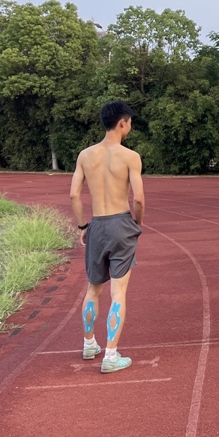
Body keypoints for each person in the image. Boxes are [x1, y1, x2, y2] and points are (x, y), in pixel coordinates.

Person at [69, 101, 145, 374]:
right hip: (120, 223)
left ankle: (89, 343)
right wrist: (137, 224)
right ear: (122, 123)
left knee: (93, 288)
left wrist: (83, 226)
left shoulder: (85, 155)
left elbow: (74, 195)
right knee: (118, 292)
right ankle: (111, 355)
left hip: (97, 224)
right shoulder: (130, 156)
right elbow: (138, 199)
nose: (130, 127)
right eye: (130, 122)